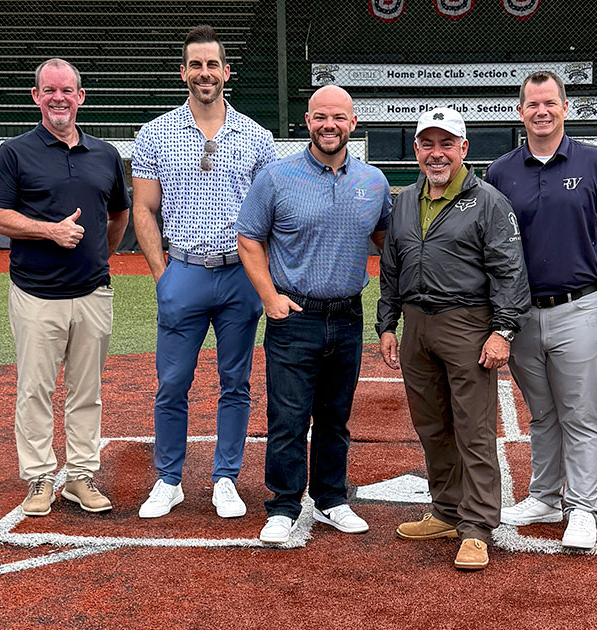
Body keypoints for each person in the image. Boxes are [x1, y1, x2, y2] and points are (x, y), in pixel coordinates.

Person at [131, 25, 277, 519]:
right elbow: (144, 209)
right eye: (195, 65)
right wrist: (162, 274)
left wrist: (261, 277)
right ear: (183, 72)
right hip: (185, 271)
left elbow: (268, 216)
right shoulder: (155, 132)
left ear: (226, 71)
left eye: (212, 64)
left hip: (239, 275)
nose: (204, 73)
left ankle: (225, 478)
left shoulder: (257, 136)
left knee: (234, 382)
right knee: (173, 383)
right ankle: (169, 479)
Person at [485, 71, 597, 549]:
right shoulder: (501, 170)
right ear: (520, 111)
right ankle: (546, 496)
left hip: (579, 307)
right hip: (522, 312)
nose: (541, 111)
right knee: (542, 411)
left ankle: (584, 506)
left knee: (581, 411)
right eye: (532, 104)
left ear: (565, 108)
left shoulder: (596, 162)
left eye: (550, 102)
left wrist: (584, 259)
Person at [235, 85, 391, 544]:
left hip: (346, 316)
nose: (330, 125)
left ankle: (331, 499)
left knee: (335, 416)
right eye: (321, 116)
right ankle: (283, 506)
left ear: (353, 123)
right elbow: (249, 238)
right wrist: (269, 297)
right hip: (294, 315)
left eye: (339, 118)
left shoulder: (373, 181)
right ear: (307, 121)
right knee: (287, 417)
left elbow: (389, 243)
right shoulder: (276, 177)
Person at [377, 107, 530, 571]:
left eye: (447, 144)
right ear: (417, 149)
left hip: (468, 324)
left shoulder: (488, 201)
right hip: (417, 324)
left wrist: (502, 331)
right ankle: (446, 511)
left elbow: (510, 271)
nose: (436, 153)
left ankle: (478, 526)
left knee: (474, 429)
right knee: (432, 426)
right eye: (428, 144)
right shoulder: (404, 200)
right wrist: (387, 324)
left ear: (464, 149)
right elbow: (391, 268)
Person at [0, 58, 130, 517]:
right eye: (49, 91)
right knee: (35, 390)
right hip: (35, 293)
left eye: (67, 90)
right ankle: (41, 477)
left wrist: (97, 257)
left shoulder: (104, 154)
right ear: (36, 97)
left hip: (91, 293)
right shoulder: (14, 152)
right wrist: (50, 231)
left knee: (87, 390)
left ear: (81, 97)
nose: (59, 98)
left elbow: (119, 214)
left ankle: (81, 475)